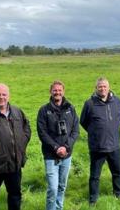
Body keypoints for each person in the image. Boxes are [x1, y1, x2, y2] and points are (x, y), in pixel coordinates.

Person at [80, 77, 120, 206]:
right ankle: (93, 199)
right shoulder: (89, 104)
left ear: (109, 87)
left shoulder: (117, 101)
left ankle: (118, 194)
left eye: (105, 86)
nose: (102, 89)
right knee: (95, 176)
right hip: (97, 147)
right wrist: (95, 132)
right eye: (100, 87)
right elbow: (83, 122)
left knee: (117, 172)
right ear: (96, 88)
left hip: (114, 145)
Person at [37, 80, 80, 210]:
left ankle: (59, 208)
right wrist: (56, 147)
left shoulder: (70, 108)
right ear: (50, 92)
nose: (57, 92)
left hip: (67, 155)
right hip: (51, 156)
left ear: (63, 92)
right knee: (53, 188)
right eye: (55, 90)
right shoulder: (44, 110)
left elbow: (75, 130)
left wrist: (66, 147)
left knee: (62, 186)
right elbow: (42, 133)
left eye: (59, 90)